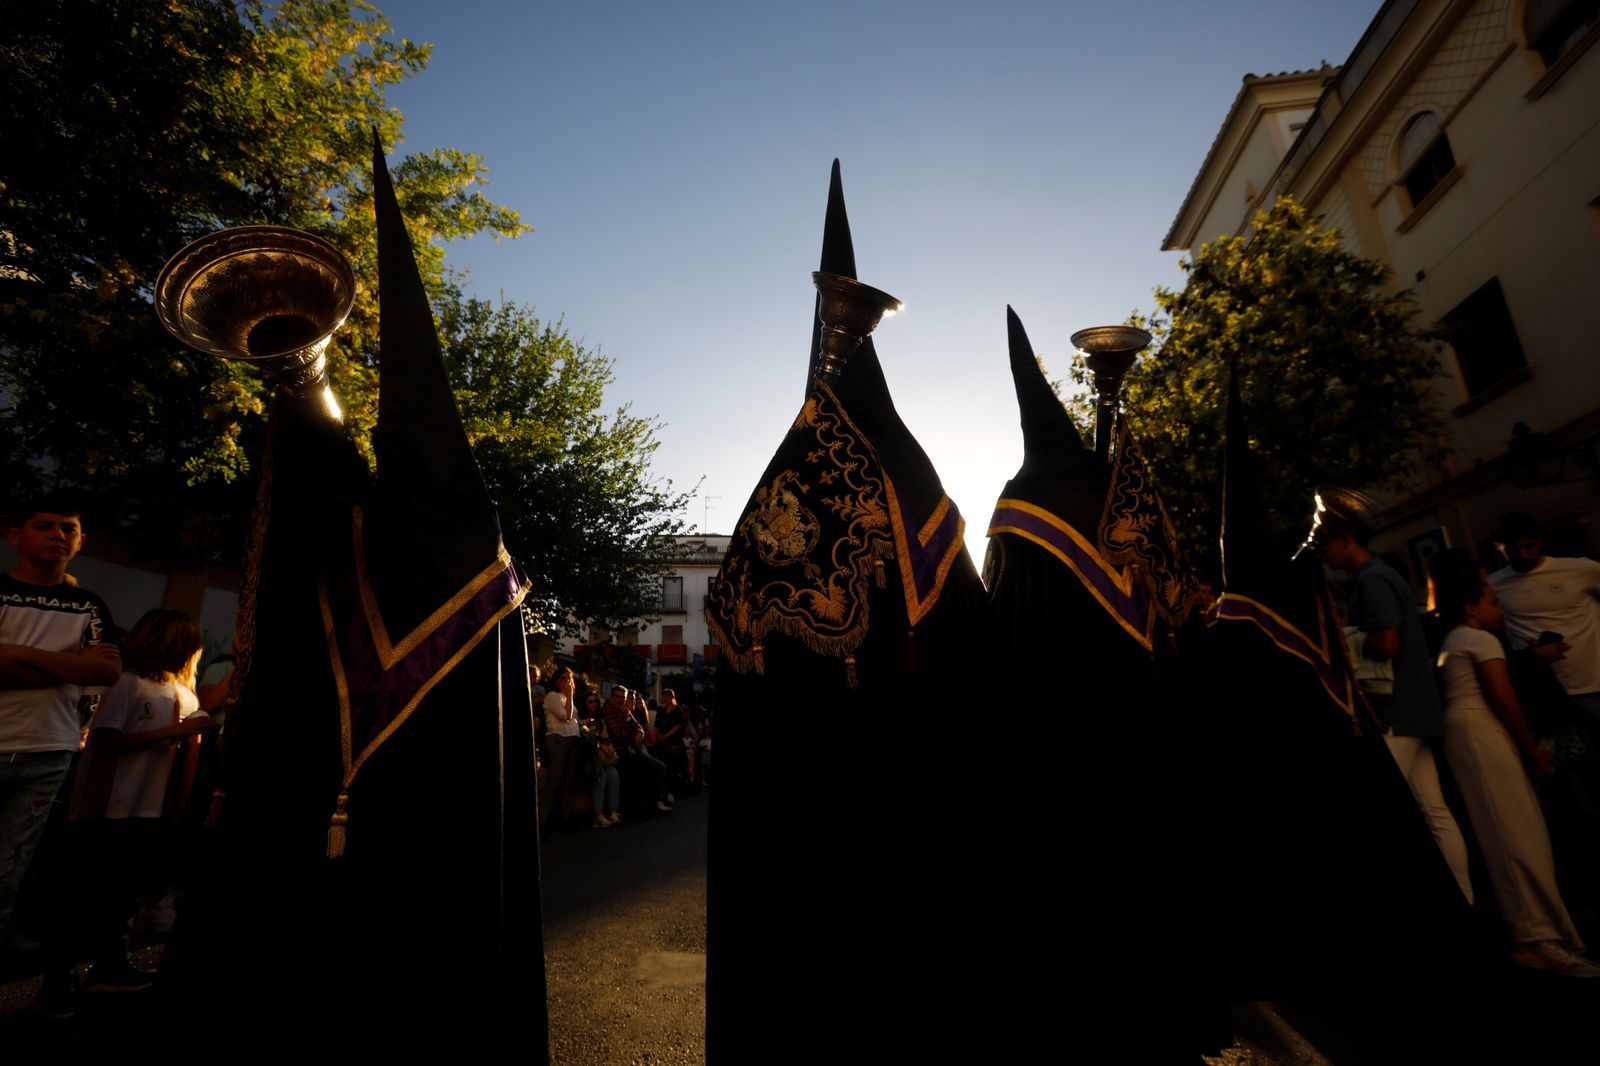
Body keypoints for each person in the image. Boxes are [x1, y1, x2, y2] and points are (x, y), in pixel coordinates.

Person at [1433, 568, 1599, 977]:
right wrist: (1532, 752)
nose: (1498, 606)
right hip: (1481, 731)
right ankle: (1536, 937)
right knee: (1515, 833)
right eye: (1491, 600)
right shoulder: (1479, 638)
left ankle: (1540, 933)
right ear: (1470, 608)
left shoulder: (1454, 640)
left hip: (1468, 731)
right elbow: (1505, 699)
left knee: (1508, 830)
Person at [1317, 512, 1473, 903]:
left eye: (1325, 543)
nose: (1322, 553)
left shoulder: (1373, 579)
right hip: (1413, 708)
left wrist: (1344, 640)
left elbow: (1386, 643)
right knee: (1435, 813)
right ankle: (1464, 897)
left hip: (1393, 711)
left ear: (1346, 540)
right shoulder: (1379, 577)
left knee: (1383, 808)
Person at [67, 608, 220, 991]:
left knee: (124, 894)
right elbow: (104, 740)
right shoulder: (128, 685)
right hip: (108, 806)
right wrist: (174, 732)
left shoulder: (183, 693)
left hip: (149, 807)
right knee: (89, 894)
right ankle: (61, 976)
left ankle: (111, 965)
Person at [0, 499, 120, 950]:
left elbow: (106, 672)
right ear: (15, 536)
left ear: (81, 541)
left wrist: (16, 655)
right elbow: (86, 669)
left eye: (68, 528)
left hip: (48, 749)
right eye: (44, 526)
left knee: (9, 868)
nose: (57, 535)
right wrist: (68, 665)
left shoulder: (90, 605)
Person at [1489, 513, 1600, 723]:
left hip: (1595, 681)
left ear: (1540, 541)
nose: (1523, 554)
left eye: (1530, 546)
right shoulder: (1493, 586)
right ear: (1498, 548)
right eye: (1512, 550)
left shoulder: (1580, 569)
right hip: (1545, 692)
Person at [538, 667, 581, 830]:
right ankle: (543, 822)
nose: (567, 681)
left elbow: (573, 720)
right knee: (554, 782)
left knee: (567, 782)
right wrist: (570, 697)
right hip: (558, 739)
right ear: (556, 681)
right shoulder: (552, 696)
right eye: (563, 678)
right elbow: (565, 717)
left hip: (572, 740)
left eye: (569, 678)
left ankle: (564, 820)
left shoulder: (567, 698)